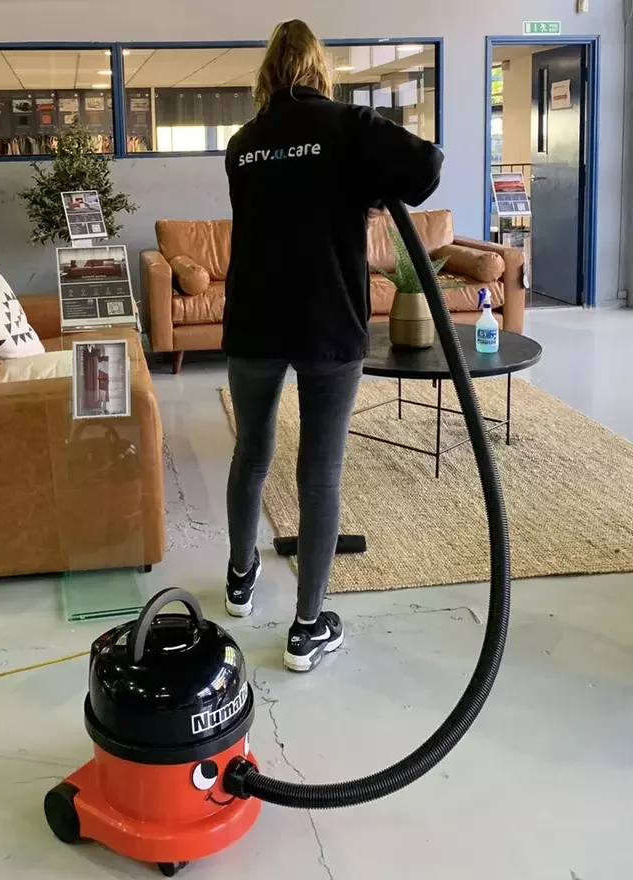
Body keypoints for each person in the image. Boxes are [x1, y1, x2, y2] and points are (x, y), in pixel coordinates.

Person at [223, 20, 444, 673]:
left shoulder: (242, 144)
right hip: (328, 320)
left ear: (267, 71)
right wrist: (370, 182)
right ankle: (307, 628)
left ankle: (240, 580)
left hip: (255, 318)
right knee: (318, 472)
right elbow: (427, 167)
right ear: (320, 69)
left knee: (252, 451)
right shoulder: (351, 126)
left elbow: (286, 205)